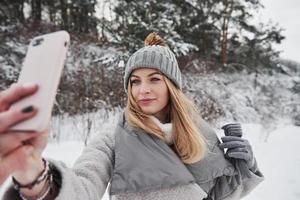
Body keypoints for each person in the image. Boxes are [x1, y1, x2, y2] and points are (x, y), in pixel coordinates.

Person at [1, 32, 264, 200]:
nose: (143, 89)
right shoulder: (114, 137)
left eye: (154, 79)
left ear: (172, 86)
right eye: (135, 81)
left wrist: (244, 165)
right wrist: (35, 175)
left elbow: (217, 195)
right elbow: (83, 187)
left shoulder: (198, 131)